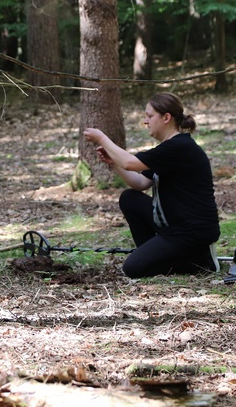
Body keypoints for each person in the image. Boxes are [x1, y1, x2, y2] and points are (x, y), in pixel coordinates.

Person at [83, 92, 220, 278]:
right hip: (174, 227)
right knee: (129, 198)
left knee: (132, 269)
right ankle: (158, 255)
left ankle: (198, 261)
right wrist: (114, 163)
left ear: (166, 118)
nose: (145, 121)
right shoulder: (169, 148)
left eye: (149, 116)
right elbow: (140, 183)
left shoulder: (179, 147)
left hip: (191, 232)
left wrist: (102, 139)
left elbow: (130, 163)